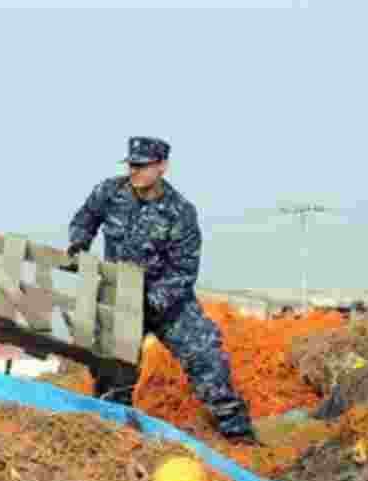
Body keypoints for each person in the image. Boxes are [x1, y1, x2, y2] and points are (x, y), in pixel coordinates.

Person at [67, 136, 259, 445]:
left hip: (169, 303)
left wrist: (148, 303)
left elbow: (183, 271)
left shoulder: (180, 211)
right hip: (120, 298)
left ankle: (240, 438)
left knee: (207, 357)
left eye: (143, 166)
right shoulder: (109, 192)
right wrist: (78, 243)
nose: (135, 172)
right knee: (113, 373)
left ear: (162, 167)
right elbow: (85, 218)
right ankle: (115, 438)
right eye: (132, 165)